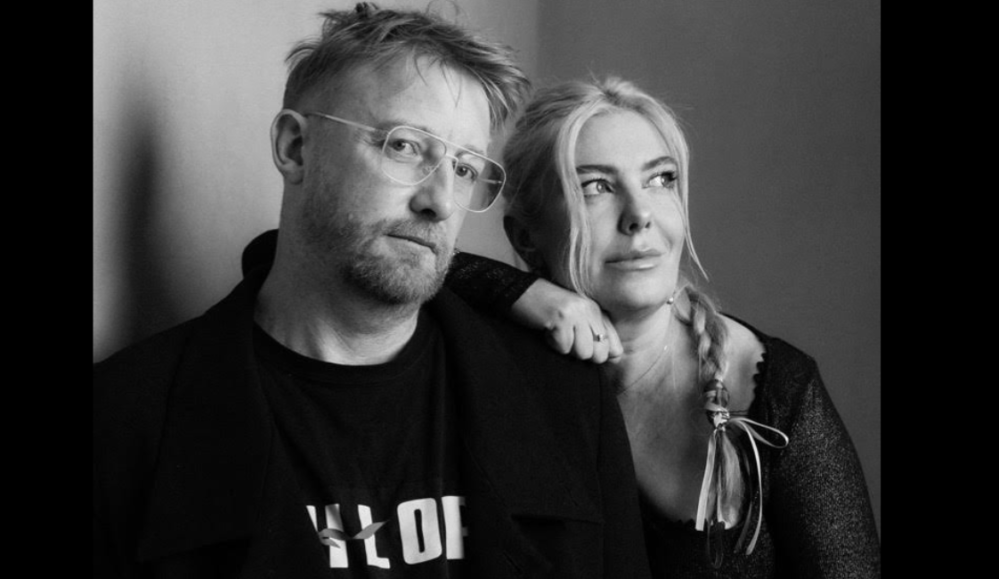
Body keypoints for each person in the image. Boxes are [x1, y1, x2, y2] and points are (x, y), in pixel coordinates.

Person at [92, 5, 652, 578]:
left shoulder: (566, 403)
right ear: (295, 148)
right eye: (405, 146)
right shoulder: (121, 423)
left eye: (463, 168)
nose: (439, 200)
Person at [446, 76, 882, 578]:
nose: (640, 215)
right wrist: (517, 290)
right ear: (526, 237)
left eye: (661, 179)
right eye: (596, 187)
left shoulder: (775, 390)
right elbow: (380, 262)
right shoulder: (495, 368)